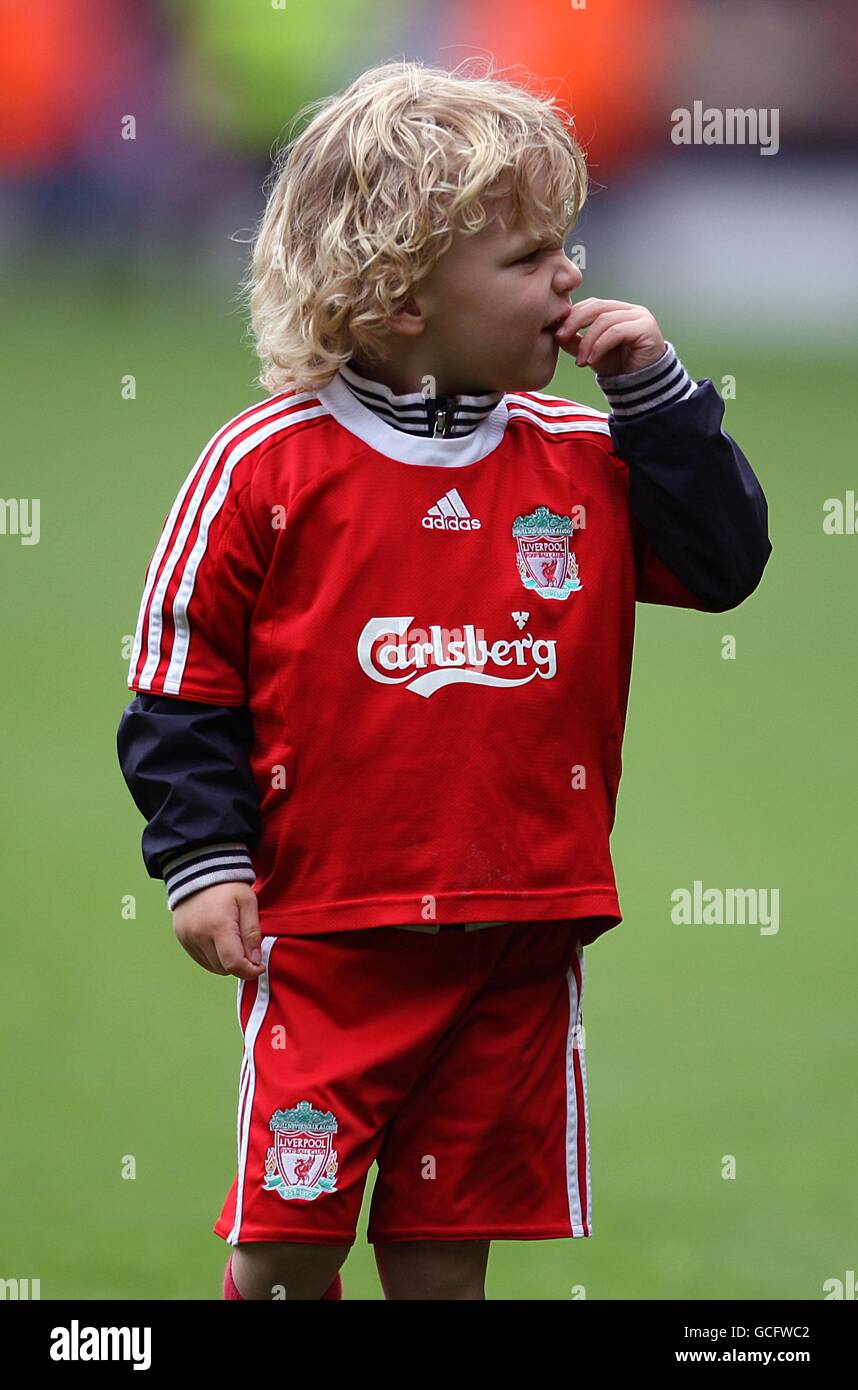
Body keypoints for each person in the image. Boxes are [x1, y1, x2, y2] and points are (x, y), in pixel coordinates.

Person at [116, 58, 771, 1301]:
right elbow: (177, 684)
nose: (567, 278)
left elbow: (724, 561)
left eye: (564, 246)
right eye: (527, 258)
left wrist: (659, 398)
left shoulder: (588, 452)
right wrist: (203, 859)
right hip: (326, 943)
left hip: (518, 938)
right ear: (398, 296)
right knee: (278, 1256)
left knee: (442, 1263)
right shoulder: (266, 465)